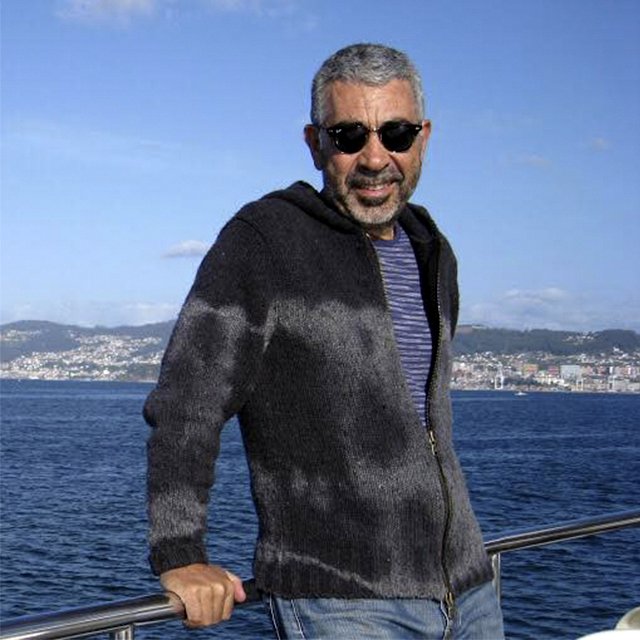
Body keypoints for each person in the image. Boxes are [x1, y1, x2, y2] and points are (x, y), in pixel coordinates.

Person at [144, 43, 504, 639]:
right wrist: (181, 552)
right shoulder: (265, 241)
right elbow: (189, 403)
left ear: (424, 138)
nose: (375, 157)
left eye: (396, 133)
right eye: (348, 135)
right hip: (343, 603)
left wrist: (468, 580)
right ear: (315, 144)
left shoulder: (432, 249)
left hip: (469, 592)